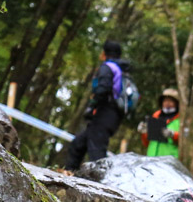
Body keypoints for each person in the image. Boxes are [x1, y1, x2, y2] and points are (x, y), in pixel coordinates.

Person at [65, 39, 125, 170]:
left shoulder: (107, 67)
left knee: (96, 153)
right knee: (78, 144)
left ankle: (100, 186)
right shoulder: (119, 70)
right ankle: (69, 173)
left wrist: (92, 105)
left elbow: (103, 88)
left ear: (104, 53)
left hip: (105, 113)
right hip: (111, 116)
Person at [139, 88, 183, 157]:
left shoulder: (181, 120)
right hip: (151, 159)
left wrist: (173, 135)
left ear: (176, 103)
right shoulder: (155, 117)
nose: (167, 103)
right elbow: (146, 144)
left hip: (169, 161)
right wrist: (144, 133)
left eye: (170, 101)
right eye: (165, 100)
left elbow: (186, 142)